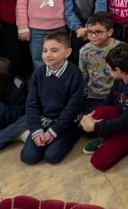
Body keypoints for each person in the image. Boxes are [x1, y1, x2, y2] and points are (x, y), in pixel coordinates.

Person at [79, 43, 128, 171]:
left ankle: (127, 143)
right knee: (97, 113)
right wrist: (89, 115)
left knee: (98, 162)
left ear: (118, 70)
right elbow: (109, 99)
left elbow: (127, 121)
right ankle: (108, 138)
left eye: (109, 69)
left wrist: (95, 127)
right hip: (120, 115)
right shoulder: (121, 77)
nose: (108, 71)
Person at [20, 32, 85, 165]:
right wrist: (36, 130)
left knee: (52, 156)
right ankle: (42, 135)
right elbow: (31, 104)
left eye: (54, 50)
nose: (48, 55)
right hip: (44, 120)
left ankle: (73, 134)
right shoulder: (38, 74)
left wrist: (53, 131)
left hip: (66, 122)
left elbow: (73, 107)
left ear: (67, 52)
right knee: (28, 157)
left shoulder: (75, 74)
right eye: (45, 50)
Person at [78, 12, 125, 112]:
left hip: (117, 95)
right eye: (90, 32)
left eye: (98, 32)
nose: (93, 36)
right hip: (93, 95)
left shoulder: (121, 48)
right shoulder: (84, 51)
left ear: (109, 32)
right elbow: (83, 75)